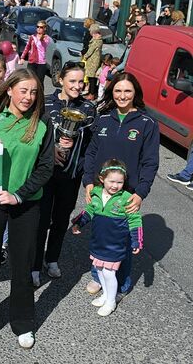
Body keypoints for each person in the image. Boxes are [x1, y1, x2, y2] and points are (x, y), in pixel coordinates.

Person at [0, 68, 54, 349]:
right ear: (9, 90)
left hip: (25, 203)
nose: (29, 97)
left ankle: (23, 324)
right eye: (23, 90)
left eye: (34, 92)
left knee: (22, 264)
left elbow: (45, 168)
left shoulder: (43, 122)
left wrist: (19, 195)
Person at [82, 73, 159, 297]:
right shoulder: (104, 119)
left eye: (127, 91)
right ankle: (98, 275)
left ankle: (120, 282)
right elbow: (91, 152)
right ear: (111, 92)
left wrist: (141, 193)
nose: (122, 95)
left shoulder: (147, 123)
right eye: (117, 91)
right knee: (100, 233)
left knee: (122, 240)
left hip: (127, 192)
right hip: (100, 189)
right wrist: (88, 182)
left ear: (136, 93)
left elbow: (150, 162)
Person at [32, 61, 96, 287]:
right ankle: (34, 265)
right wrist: (52, 151)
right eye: (73, 81)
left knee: (60, 219)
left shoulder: (89, 108)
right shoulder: (46, 102)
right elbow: (35, 135)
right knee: (41, 220)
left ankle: (52, 259)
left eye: (81, 81)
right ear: (60, 80)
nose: (77, 86)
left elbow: (91, 143)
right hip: (46, 172)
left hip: (71, 174)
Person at [72, 159, 142, 317]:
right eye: (111, 181)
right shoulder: (96, 193)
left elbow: (135, 220)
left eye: (120, 182)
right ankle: (105, 295)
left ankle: (111, 301)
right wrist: (79, 223)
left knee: (109, 273)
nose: (115, 186)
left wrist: (136, 240)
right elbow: (89, 211)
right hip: (98, 242)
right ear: (102, 179)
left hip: (115, 245)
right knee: (99, 270)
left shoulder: (126, 198)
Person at [19, 20, 51, 86]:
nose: (39, 28)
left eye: (41, 27)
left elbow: (44, 43)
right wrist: (22, 58)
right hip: (32, 61)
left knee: (39, 81)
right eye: (37, 27)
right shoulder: (32, 37)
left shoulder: (46, 38)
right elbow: (27, 47)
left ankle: (40, 95)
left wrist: (41, 36)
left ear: (45, 28)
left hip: (41, 63)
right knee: (30, 79)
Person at [83, 24, 103, 98]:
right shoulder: (96, 39)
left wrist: (85, 56)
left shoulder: (97, 41)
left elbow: (90, 50)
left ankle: (92, 94)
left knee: (92, 78)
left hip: (93, 61)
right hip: (92, 60)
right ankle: (91, 93)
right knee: (90, 77)